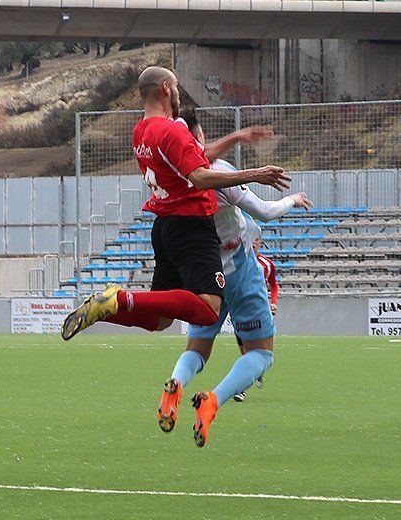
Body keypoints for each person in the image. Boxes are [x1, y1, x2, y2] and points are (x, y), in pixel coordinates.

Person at [60, 66, 290, 341]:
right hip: (192, 224)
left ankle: (102, 309)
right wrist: (256, 174)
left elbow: (196, 157)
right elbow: (201, 177)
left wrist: (237, 137)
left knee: (159, 321)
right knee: (208, 310)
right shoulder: (172, 131)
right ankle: (120, 299)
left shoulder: (140, 132)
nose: (179, 93)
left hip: (165, 227)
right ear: (167, 89)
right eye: (177, 86)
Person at [157, 109, 312, 446]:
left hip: (202, 274)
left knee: (198, 349)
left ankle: (176, 384)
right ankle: (213, 401)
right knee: (261, 354)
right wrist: (292, 199)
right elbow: (265, 213)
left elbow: (194, 155)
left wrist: (236, 138)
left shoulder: (169, 179)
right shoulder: (220, 174)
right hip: (239, 268)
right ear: (198, 138)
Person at [233, 238, 278, 402]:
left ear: (261, 243)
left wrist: (273, 303)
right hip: (238, 309)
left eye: (256, 240)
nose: (253, 243)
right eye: (250, 239)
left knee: (253, 351)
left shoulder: (267, 264)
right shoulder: (236, 261)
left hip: (259, 310)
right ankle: (255, 370)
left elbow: (274, 285)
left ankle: (242, 388)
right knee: (244, 349)